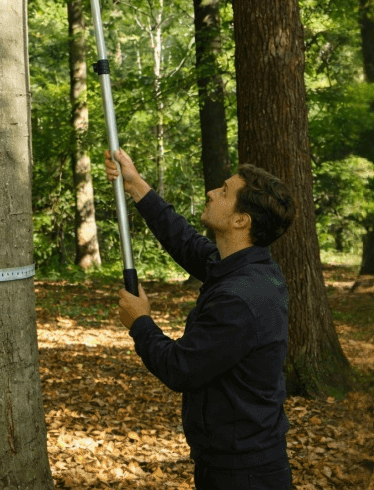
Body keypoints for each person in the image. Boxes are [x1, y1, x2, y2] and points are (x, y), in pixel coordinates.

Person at [106, 149, 295, 489]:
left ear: (241, 220)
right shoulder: (244, 267)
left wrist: (140, 323)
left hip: (244, 475)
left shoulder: (241, 298)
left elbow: (181, 367)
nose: (212, 192)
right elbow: (185, 242)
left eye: (224, 192)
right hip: (231, 463)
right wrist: (135, 185)